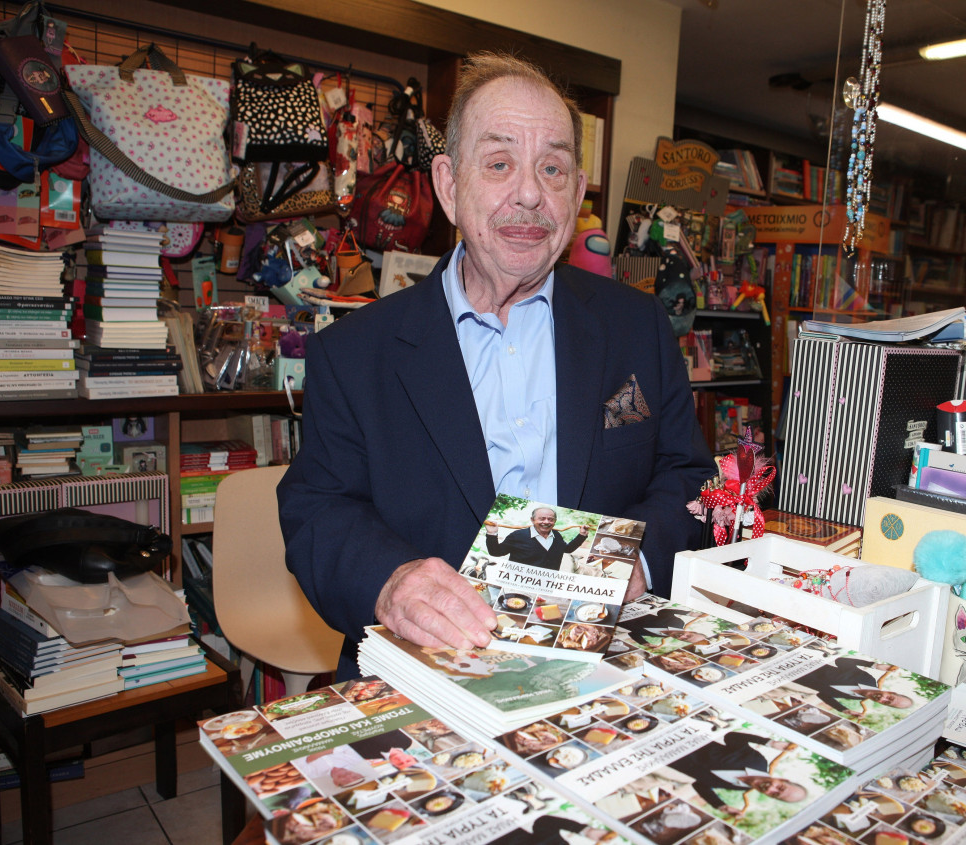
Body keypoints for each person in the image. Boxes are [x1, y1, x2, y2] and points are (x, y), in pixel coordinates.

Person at [277, 53, 714, 679]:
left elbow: (689, 476)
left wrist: (639, 561)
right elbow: (319, 509)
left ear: (577, 191)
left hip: (603, 657)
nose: (530, 194)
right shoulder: (353, 352)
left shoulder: (636, 326)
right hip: (433, 669)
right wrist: (390, 581)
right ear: (449, 185)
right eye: (500, 163)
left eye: (552, 169)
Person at [667, 731, 809, 816]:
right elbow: (731, 737)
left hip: (664, 756)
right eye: (780, 787)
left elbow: (700, 784)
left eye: (774, 794)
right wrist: (769, 743)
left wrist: (720, 806)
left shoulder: (741, 788)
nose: (771, 788)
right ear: (782, 779)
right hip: (675, 736)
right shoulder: (757, 761)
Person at [484, 506, 587, 568]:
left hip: (547, 585)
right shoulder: (518, 536)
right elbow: (496, 552)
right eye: (542, 519)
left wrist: (582, 536)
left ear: (554, 521)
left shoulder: (556, 535)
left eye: (550, 519)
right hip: (517, 583)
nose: (546, 522)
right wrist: (492, 534)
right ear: (532, 520)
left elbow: (567, 549)